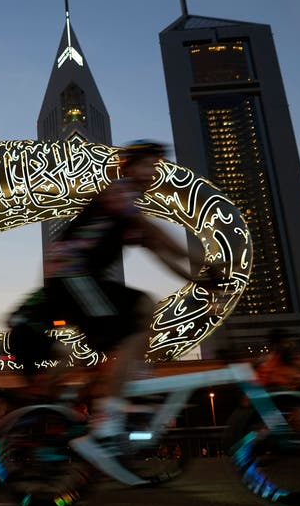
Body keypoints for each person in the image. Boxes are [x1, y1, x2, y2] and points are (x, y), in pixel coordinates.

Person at [12, 140, 218, 484]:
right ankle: (105, 422)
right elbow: (159, 236)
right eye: (148, 165)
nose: (153, 173)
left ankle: (107, 392)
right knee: (131, 324)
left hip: (82, 280)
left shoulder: (128, 209)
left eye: (156, 167)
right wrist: (203, 264)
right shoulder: (119, 193)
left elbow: (158, 251)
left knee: (142, 307)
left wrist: (199, 280)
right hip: (71, 276)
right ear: (129, 167)